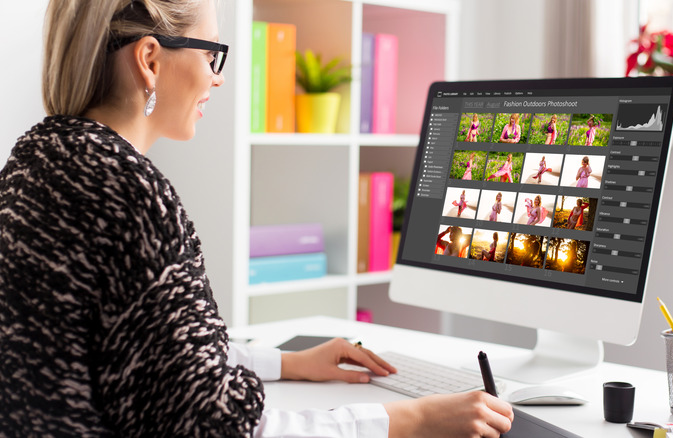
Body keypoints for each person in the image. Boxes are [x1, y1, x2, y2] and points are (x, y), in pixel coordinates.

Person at [0, 1, 514, 437]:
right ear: (150, 60)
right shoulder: (128, 190)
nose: (217, 79)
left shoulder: (38, 158)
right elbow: (215, 425)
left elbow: (152, 350)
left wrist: (286, 364)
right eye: (211, 54)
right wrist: (409, 420)